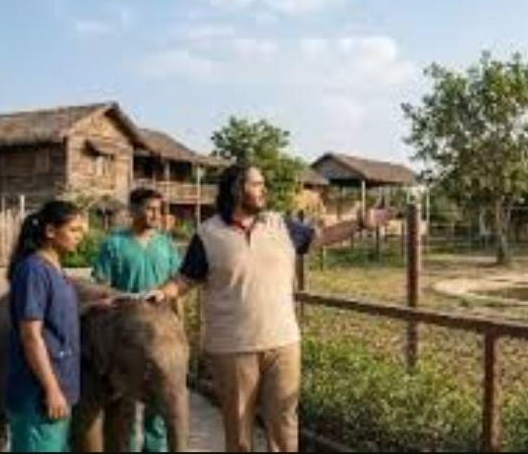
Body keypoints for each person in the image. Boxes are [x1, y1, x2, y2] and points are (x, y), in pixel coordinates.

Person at [149, 163, 393, 452]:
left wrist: (361, 222)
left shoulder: (280, 226)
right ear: (236, 189)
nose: (264, 190)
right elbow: (185, 279)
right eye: (256, 184)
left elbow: (322, 236)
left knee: (284, 427)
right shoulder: (208, 234)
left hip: (283, 343)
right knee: (239, 433)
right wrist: (162, 293)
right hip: (232, 348)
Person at [5, 200, 110, 452]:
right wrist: (51, 389)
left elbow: (54, 316)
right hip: (37, 395)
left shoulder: (55, 269)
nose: (79, 237)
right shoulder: (33, 270)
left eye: (81, 231)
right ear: (50, 231)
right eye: (73, 230)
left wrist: (92, 307)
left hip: (57, 391)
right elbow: (31, 335)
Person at [92, 188, 181, 452]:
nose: (156, 214)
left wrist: (180, 326)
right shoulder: (114, 244)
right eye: (149, 208)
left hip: (162, 335)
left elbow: (176, 287)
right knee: (125, 401)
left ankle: (155, 448)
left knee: (160, 402)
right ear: (133, 210)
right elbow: (101, 287)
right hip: (126, 335)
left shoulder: (166, 245)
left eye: (159, 209)